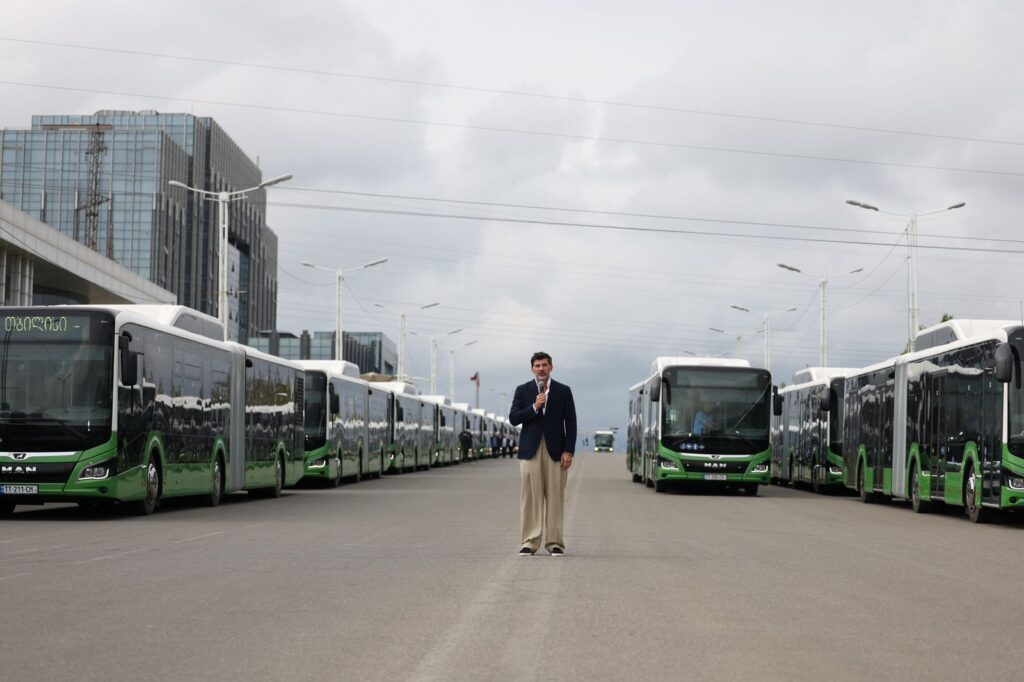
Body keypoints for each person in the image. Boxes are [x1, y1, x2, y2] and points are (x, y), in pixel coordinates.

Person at [509, 351, 577, 557]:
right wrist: (534, 407)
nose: (541, 369)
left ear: (551, 367)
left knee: (555, 497)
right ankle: (529, 541)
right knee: (531, 497)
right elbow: (513, 418)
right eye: (537, 366)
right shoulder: (523, 390)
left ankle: (555, 542)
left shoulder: (563, 391)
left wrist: (569, 450)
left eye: (544, 365)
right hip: (530, 451)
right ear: (532, 368)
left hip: (556, 451)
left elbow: (571, 423)